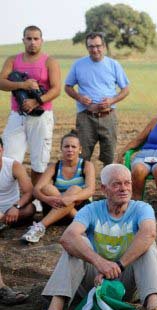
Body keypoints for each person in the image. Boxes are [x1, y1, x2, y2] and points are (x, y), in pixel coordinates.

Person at [18, 164, 157, 310]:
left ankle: (153, 308)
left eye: (127, 183)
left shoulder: (142, 208)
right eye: (117, 184)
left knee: (148, 246)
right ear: (103, 189)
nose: (124, 188)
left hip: (128, 282)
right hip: (95, 281)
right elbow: (67, 237)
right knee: (75, 245)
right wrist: (100, 263)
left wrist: (118, 266)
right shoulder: (91, 209)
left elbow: (149, 233)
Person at [0, 25, 61, 206]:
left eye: (36, 39)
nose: (32, 42)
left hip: (41, 116)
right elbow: (1, 82)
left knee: (39, 161)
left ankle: (37, 203)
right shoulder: (13, 60)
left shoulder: (49, 62)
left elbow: (56, 89)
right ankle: (8, 202)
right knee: (9, 158)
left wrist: (37, 101)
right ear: (23, 40)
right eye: (28, 38)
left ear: (41, 41)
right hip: (17, 115)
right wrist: (23, 85)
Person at [65, 32, 130, 166]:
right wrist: (80, 97)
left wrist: (111, 101)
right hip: (86, 117)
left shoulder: (114, 65)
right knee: (82, 155)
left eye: (98, 46)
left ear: (104, 46)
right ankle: (81, 184)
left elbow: (126, 90)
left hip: (108, 116)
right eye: (91, 46)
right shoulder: (78, 65)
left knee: (109, 155)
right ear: (87, 47)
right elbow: (68, 87)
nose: (95, 49)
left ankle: (107, 184)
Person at [21, 130, 95, 243]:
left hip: (80, 208)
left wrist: (72, 198)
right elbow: (36, 190)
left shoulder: (87, 165)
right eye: (66, 146)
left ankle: (40, 226)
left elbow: (90, 190)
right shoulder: (54, 167)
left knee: (75, 189)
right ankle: (83, 222)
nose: (70, 149)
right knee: (46, 188)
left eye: (73, 147)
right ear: (61, 149)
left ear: (80, 149)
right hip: (54, 207)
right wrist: (47, 199)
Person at [0, 137, 35, 231]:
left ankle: (3, 222)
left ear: (2, 150)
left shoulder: (13, 165)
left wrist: (16, 206)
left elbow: (29, 191)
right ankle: (5, 222)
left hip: (11, 208)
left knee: (30, 208)